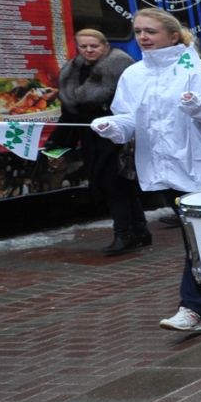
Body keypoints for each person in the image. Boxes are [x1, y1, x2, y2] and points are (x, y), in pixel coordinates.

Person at [92, 8, 201, 334]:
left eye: (150, 31)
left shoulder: (199, 70)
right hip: (166, 169)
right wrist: (111, 126)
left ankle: (192, 309)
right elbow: (128, 120)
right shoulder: (134, 75)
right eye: (137, 31)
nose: (142, 37)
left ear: (173, 35)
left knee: (198, 238)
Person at [62, 29, 148, 255]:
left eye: (94, 46)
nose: (88, 50)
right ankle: (139, 231)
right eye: (83, 46)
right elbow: (71, 111)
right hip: (92, 137)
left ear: (105, 46)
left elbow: (130, 105)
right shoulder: (73, 70)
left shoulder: (121, 67)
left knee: (116, 184)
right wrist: (58, 144)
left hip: (117, 135)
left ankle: (124, 234)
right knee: (119, 185)